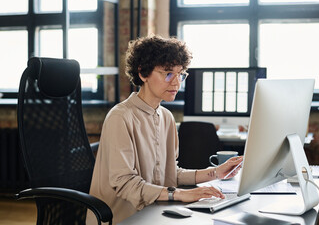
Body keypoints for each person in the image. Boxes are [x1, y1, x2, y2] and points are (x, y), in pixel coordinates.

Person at [87, 35, 243, 224]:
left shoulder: (166, 117)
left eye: (181, 74)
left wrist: (216, 173)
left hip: (157, 212)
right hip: (123, 218)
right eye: (168, 73)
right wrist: (180, 195)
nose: (177, 83)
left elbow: (169, 173)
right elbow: (126, 184)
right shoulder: (120, 117)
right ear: (143, 73)